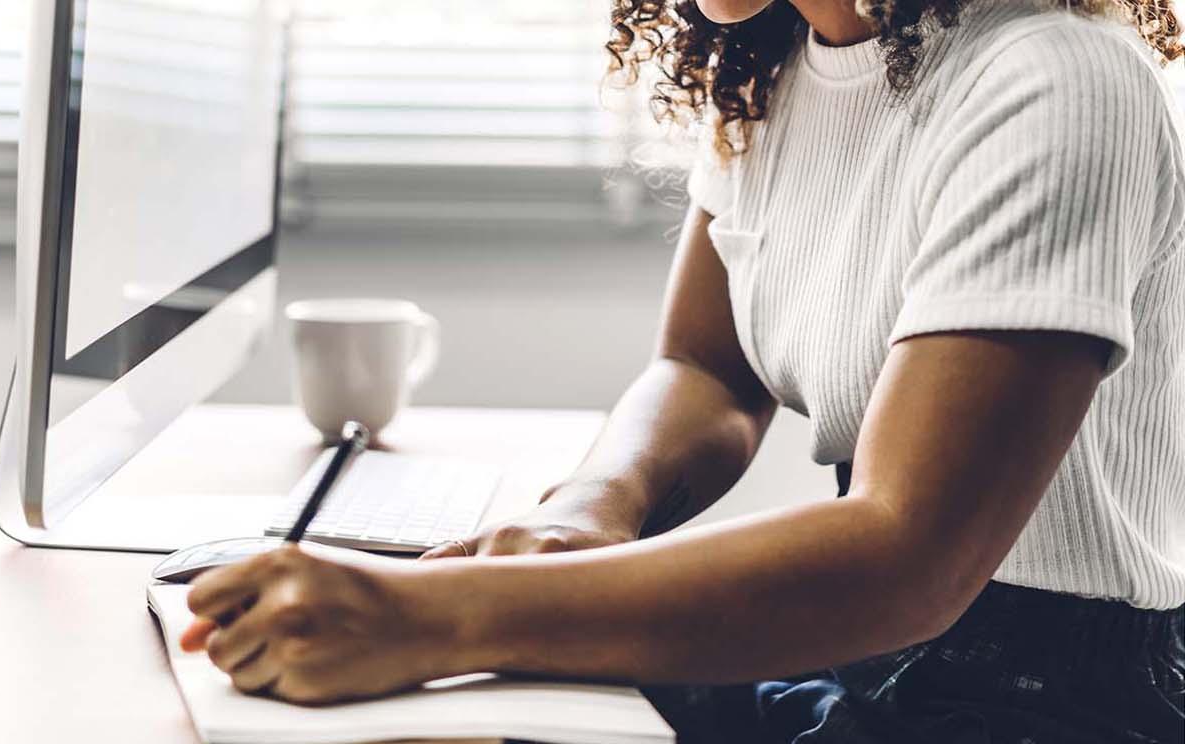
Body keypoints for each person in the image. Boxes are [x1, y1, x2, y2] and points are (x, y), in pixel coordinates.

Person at [180, 0, 1185, 739]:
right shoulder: (784, 68)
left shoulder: (1057, 82)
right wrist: (592, 506)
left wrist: (425, 618)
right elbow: (706, 366)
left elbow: (908, 558)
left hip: (1048, 702)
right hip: (858, 649)